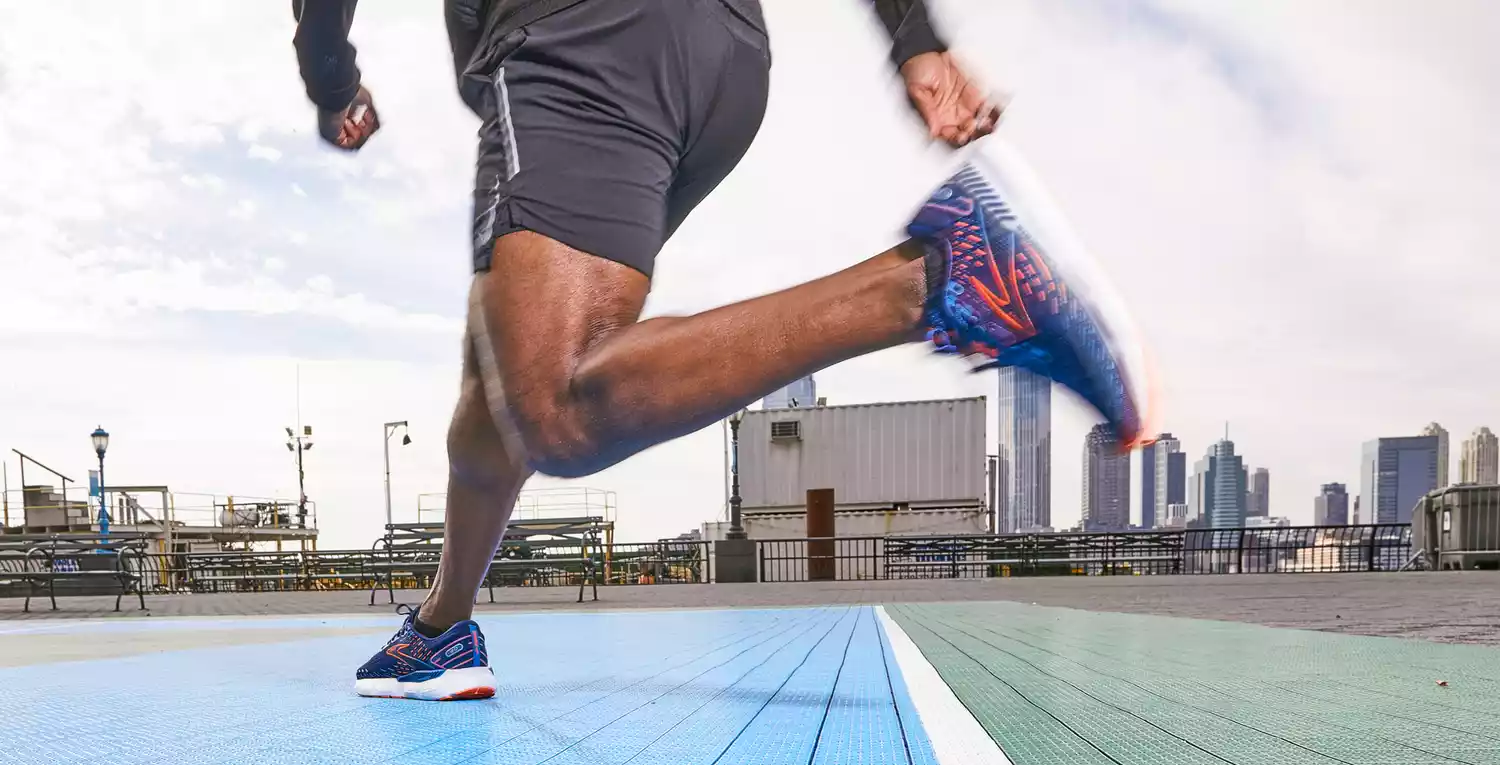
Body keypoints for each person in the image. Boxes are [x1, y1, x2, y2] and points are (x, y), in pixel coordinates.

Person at [290, 0, 1143, 700]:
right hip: (723, 58)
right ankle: (440, 630)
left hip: (575, 42)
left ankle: (935, 278)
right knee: (496, 400)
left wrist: (331, 78)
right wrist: (911, 35)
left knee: (555, 409)